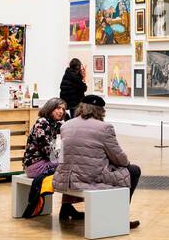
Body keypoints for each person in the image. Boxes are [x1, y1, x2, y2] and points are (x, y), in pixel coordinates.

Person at [54, 94, 140, 229]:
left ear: (81, 108)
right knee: (133, 170)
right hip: (89, 177)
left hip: (65, 177)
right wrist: (125, 163)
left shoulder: (66, 125)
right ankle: (119, 217)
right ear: (100, 111)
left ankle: (66, 209)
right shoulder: (104, 128)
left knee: (76, 163)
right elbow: (119, 158)